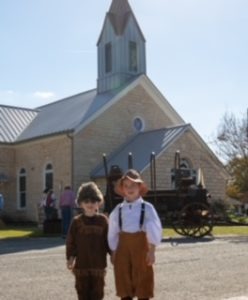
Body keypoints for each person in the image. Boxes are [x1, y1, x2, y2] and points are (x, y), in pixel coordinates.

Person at [108, 169, 162, 300]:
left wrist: (152, 250)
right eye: (126, 186)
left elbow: (154, 229)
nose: (129, 188)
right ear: (122, 189)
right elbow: (113, 231)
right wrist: (114, 251)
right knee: (123, 278)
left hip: (141, 248)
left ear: (139, 187)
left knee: (143, 277)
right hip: (123, 249)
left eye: (133, 185)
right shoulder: (118, 210)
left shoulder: (147, 208)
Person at [66, 181, 111, 300]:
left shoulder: (103, 221)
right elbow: (71, 241)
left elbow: (109, 241)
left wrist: (114, 254)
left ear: (99, 203)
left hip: (98, 266)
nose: (90, 204)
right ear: (80, 203)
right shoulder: (76, 222)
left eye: (93, 201)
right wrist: (70, 257)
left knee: (97, 294)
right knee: (82, 293)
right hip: (82, 266)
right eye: (86, 201)